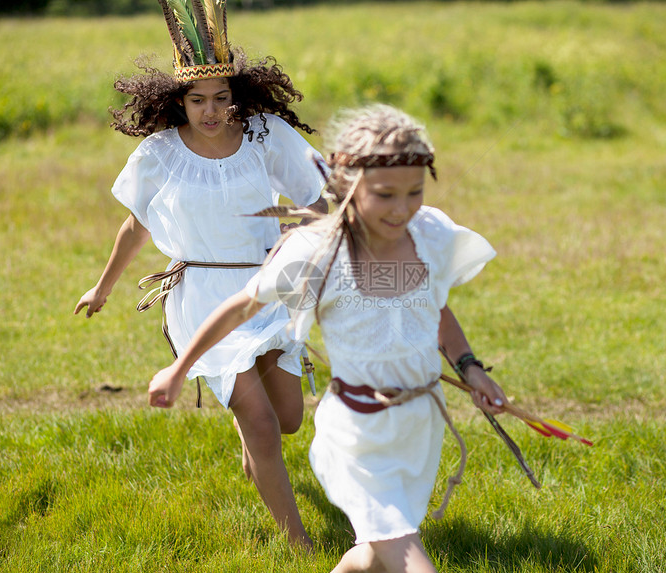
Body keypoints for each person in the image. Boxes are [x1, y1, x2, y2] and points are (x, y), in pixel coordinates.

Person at [147, 104, 509, 572]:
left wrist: (470, 367)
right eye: (384, 195)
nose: (401, 209)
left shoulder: (429, 235)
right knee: (407, 556)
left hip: (419, 428)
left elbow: (434, 305)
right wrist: (178, 370)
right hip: (357, 431)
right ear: (347, 185)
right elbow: (240, 306)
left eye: (414, 192)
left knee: (369, 558)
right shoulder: (317, 251)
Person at [73, 0, 326, 549]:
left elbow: (322, 197)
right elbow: (136, 227)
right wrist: (104, 286)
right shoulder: (160, 154)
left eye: (221, 98)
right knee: (261, 425)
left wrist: (297, 231)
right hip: (201, 296)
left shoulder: (265, 134)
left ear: (237, 95)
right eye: (197, 100)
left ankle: (254, 442)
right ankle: (301, 547)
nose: (210, 112)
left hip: (266, 290)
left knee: (286, 420)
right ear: (177, 99)